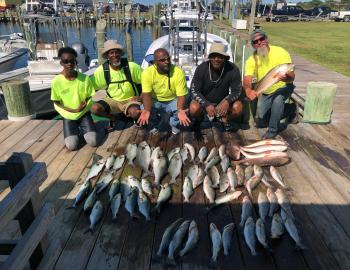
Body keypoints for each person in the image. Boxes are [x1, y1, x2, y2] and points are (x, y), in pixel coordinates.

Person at [243, 29, 296, 139]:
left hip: (284, 87)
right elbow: (247, 78)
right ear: (253, 45)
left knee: (277, 100)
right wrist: (248, 90)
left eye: (261, 39)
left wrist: (285, 78)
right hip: (266, 91)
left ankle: (272, 131)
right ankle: (290, 109)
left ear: (266, 39)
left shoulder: (280, 52)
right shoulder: (252, 59)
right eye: (255, 41)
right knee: (263, 120)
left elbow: (292, 77)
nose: (259, 42)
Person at [51, 47, 98, 151]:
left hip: (84, 113)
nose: (69, 64)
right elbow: (57, 103)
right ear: (61, 63)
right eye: (66, 61)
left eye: (72, 61)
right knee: (72, 146)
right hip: (68, 116)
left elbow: (89, 97)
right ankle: (75, 129)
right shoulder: (56, 81)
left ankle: (83, 128)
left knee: (93, 142)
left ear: (75, 61)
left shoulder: (85, 78)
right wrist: (74, 110)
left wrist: (83, 108)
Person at [189, 43, 243, 131]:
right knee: (193, 108)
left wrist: (227, 101)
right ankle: (199, 120)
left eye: (220, 57)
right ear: (209, 57)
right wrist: (206, 104)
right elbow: (194, 90)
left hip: (222, 103)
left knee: (238, 107)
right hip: (204, 102)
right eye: (213, 56)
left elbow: (237, 91)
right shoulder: (201, 68)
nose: (216, 59)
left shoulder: (233, 69)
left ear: (225, 58)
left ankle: (225, 120)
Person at [137, 48, 191, 134]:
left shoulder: (178, 72)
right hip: (156, 100)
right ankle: (155, 124)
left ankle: (173, 124)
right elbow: (146, 94)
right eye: (162, 60)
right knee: (144, 109)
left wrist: (180, 110)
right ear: (155, 62)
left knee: (183, 110)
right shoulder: (147, 73)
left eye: (168, 59)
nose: (167, 62)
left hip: (173, 99)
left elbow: (181, 96)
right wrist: (147, 110)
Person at [91, 40, 142, 128]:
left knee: (135, 112)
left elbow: (146, 83)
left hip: (131, 99)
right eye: (111, 53)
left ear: (121, 54)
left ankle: (133, 117)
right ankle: (114, 118)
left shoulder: (132, 66)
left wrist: (140, 97)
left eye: (117, 52)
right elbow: (91, 88)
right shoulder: (101, 70)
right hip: (113, 101)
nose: (115, 55)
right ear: (107, 56)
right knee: (95, 108)